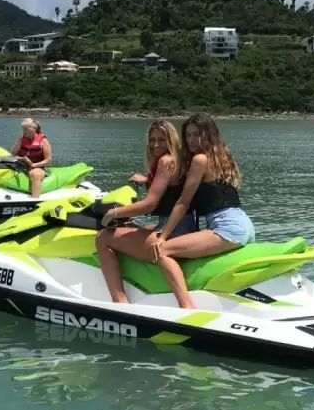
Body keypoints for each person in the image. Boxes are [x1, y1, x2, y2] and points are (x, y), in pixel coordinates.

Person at [146, 113, 255, 309]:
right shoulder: (223, 155)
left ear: (209, 135)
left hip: (226, 227)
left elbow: (183, 202)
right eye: (187, 135)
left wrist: (164, 236)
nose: (191, 140)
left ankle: (186, 307)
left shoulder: (199, 159)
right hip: (244, 224)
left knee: (161, 251)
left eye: (197, 135)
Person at [95, 120, 197, 303]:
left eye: (161, 140)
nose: (155, 145)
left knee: (103, 238)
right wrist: (145, 179)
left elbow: (149, 204)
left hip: (172, 229)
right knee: (137, 226)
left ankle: (120, 302)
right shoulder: (179, 160)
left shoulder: (165, 162)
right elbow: (170, 186)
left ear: (171, 141)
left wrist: (114, 212)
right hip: (187, 225)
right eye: (152, 140)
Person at [10, 117, 51, 198]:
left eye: (26, 129)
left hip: (37, 167)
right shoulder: (21, 140)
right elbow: (12, 155)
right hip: (21, 166)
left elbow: (48, 160)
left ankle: (35, 201)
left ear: (34, 128)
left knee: (35, 175)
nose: (24, 131)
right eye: (23, 129)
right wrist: (22, 158)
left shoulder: (43, 141)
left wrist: (33, 165)